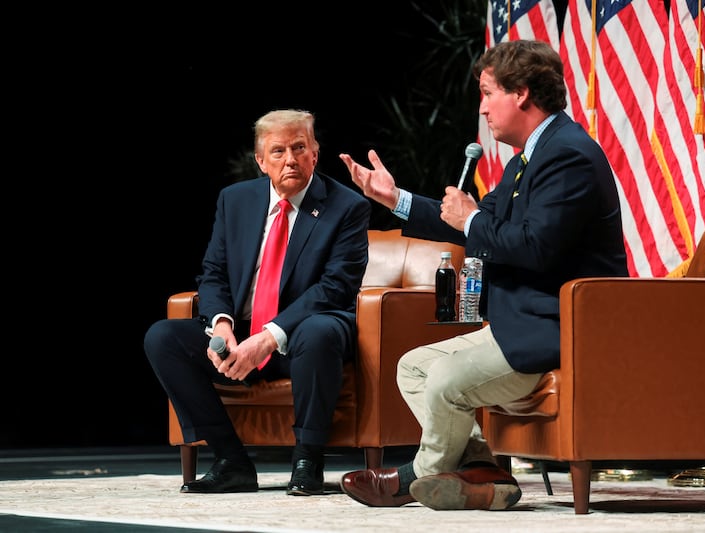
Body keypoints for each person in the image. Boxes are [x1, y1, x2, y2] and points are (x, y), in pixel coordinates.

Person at [337, 40, 629, 511]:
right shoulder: (528, 159)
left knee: (446, 380)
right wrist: (395, 200)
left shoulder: (568, 155)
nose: (483, 108)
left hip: (558, 329)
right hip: (523, 323)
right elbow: (465, 220)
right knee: (413, 368)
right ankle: (486, 476)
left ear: (522, 93)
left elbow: (535, 247)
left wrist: (473, 219)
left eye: (488, 93)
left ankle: (418, 476)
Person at [144, 109, 371, 496]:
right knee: (163, 337)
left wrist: (269, 337)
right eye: (278, 150)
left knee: (320, 330)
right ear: (261, 161)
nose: (290, 159)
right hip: (241, 335)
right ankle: (231, 461)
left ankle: (307, 460)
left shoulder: (346, 207)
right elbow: (214, 272)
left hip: (303, 335)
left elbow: (335, 288)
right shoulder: (235, 201)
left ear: (315, 152)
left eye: (300, 147)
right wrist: (222, 325)